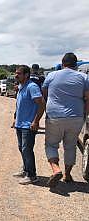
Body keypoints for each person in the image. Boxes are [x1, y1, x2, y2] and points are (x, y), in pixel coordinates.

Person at [42, 53, 89, 187]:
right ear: (75, 65)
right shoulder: (84, 77)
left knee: (51, 144)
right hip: (76, 117)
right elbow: (87, 98)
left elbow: (44, 93)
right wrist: (84, 114)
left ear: (62, 64)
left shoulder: (51, 76)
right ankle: (67, 175)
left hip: (54, 116)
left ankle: (56, 169)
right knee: (70, 146)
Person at [12, 65, 45, 185]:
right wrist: (15, 119)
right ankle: (26, 169)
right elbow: (19, 105)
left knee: (27, 149)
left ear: (26, 75)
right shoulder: (21, 86)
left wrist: (36, 121)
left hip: (29, 125)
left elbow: (41, 104)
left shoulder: (32, 87)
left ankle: (32, 176)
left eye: (19, 73)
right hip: (20, 124)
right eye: (16, 73)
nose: (16, 75)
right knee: (21, 148)